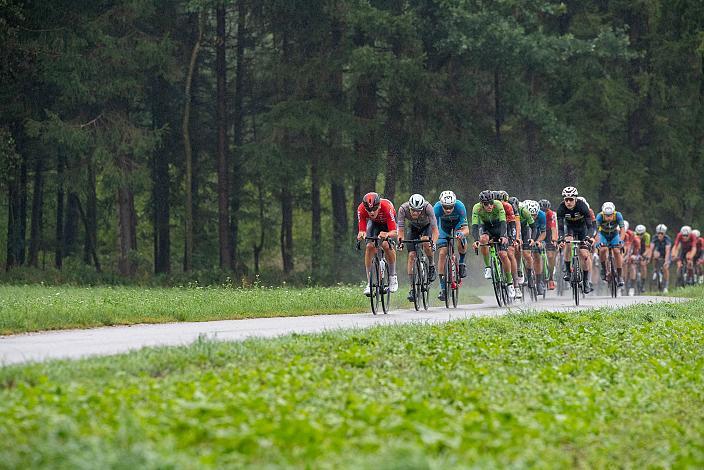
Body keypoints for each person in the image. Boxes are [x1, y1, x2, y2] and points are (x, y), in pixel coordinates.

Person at [472, 190, 515, 298]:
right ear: (481, 204)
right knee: (483, 239)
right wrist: (476, 240)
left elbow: (503, 222)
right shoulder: (476, 208)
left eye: (491, 202)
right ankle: (488, 267)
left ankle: (510, 284)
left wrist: (503, 236)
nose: (490, 206)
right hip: (486, 228)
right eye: (486, 204)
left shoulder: (498, 204)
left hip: (499, 227)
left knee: (503, 255)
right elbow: (475, 226)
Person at [397, 193, 439, 302]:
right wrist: (400, 242)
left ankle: (431, 265)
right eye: (413, 210)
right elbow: (400, 230)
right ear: (409, 207)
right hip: (413, 228)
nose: (415, 213)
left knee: (426, 242)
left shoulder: (428, 207)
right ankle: (412, 288)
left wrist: (433, 243)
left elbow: (435, 230)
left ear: (422, 208)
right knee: (411, 255)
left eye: (418, 211)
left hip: (427, 227)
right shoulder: (403, 209)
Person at [356, 192, 398, 295]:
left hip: (388, 225)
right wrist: (361, 234)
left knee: (386, 245)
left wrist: (387, 234)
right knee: (369, 246)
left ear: (379, 205)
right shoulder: (361, 209)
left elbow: (395, 232)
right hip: (374, 224)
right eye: (369, 210)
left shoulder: (386, 207)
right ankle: (369, 283)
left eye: (374, 209)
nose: (371, 212)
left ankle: (393, 277)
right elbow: (362, 229)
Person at [557, 186, 595, 293]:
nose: (568, 202)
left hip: (582, 229)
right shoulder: (561, 208)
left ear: (576, 199)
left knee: (584, 254)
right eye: (566, 200)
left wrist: (588, 237)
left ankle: (586, 281)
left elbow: (590, 226)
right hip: (570, 229)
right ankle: (568, 271)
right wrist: (561, 239)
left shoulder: (582, 207)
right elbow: (560, 227)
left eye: (571, 199)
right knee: (568, 243)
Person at [434, 190, 469, 302]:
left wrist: (462, 234)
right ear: (441, 204)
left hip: (458, 225)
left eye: (450, 207)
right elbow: (434, 228)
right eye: (445, 207)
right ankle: (443, 288)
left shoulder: (460, 206)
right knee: (442, 253)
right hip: (443, 227)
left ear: (454, 204)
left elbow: (466, 229)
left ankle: (462, 262)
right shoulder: (437, 208)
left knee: (460, 239)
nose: (448, 209)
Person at [595, 202, 625, 287]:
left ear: (613, 213)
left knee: (616, 251)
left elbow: (622, 229)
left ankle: (619, 276)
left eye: (610, 215)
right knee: (603, 249)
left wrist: (621, 241)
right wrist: (598, 242)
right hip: (603, 235)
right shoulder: (599, 216)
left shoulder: (618, 215)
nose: (608, 217)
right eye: (606, 215)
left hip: (614, 235)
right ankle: (604, 269)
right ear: (603, 213)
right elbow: (596, 231)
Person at [525, 200, 547, 295]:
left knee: (537, 255)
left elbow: (543, 232)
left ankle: (538, 282)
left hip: (536, 233)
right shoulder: (522, 214)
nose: (533, 217)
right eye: (531, 215)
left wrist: (538, 241)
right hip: (525, 232)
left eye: (535, 215)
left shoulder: (541, 215)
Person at [539, 199, 558, 290]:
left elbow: (553, 228)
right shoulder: (537, 214)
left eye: (546, 210)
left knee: (550, 256)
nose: (544, 212)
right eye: (542, 210)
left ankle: (551, 278)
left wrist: (554, 239)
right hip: (539, 232)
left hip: (549, 233)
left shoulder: (551, 214)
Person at [650, 224, 672, 293]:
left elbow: (667, 251)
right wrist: (648, 257)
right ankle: (655, 269)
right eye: (658, 233)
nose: (660, 235)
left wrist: (666, 261)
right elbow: (651, 248)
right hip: (659, 253)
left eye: (661, 233)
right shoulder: (654, 237)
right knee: (655, 254)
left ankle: (666, 286)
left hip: (666, 254)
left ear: (664, 233)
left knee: (665, 268)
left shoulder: (667, 239)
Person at [635, 224, 651, 293]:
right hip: (636, 250)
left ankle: (643, 284)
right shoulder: (634, 235)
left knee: (643, 265)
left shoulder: (647, 236)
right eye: (638, 234)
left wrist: (644, 256)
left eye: (641, 234)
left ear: (644, 233)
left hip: (643, 250)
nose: (639, 236)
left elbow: (647, 249)